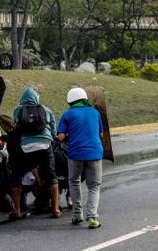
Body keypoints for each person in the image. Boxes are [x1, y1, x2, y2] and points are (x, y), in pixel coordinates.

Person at [9, 88, 61, 220]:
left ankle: (17, 211)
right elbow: (54, 133)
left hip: (25, 146)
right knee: (51, 175)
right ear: (36, 98)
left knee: (16, 176)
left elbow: (15, 127)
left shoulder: (18, 109)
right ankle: (55, 209)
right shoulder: (46, 110)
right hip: (45, 145)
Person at [57, 88, 104, 229]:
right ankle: (92, 217)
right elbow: (101, 135)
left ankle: (77, 215)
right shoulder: (95, 113)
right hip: (94, 154)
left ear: (70, 100)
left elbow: (60, 137)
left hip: (75, 154)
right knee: (93, 187)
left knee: (74, 182)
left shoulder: (68, 114)